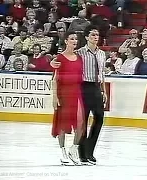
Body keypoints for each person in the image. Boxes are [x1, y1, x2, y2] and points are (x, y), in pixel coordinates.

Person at [51, 25, 107, 165]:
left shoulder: (101, 54)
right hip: (82, 88)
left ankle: (86, 151)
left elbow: (102, 73)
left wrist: (104, 90)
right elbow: (62, 62)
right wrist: (52, 62)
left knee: (97, 119)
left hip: (94, 88)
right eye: (93, 35)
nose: (95, 37)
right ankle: (79, 153)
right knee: (78, 121)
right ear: (87, 37)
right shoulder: (80, 53)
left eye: (97, 35)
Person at [51, 31, 85, 166]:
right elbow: (54, 79)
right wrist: (54, 97)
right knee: (62, 124)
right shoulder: (59, 58)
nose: (74, 41)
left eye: (76, 39)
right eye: (71, 39)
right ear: (66, 41)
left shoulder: (79, 57)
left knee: (81, 123)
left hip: (76, 92)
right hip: (63, 93)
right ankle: (63, 151)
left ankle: (74, 149)